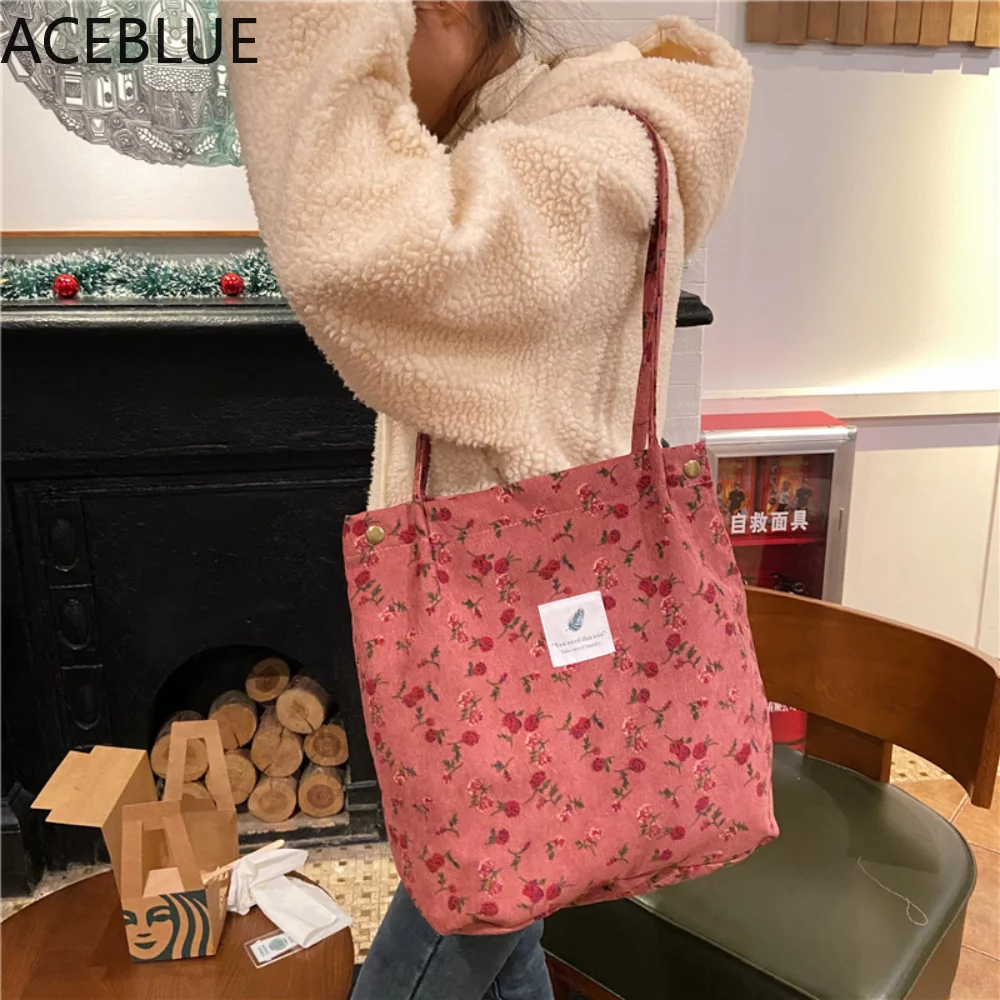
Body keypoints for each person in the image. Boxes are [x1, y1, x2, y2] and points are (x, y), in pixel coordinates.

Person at [223, 3, 751, 997]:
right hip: (528, 633)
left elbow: (356, 241)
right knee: (505, 906)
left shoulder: (581, 159)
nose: (372, 62)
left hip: (524, 634)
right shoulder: (519, 146)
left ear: (446, 8)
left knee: (468, 904)